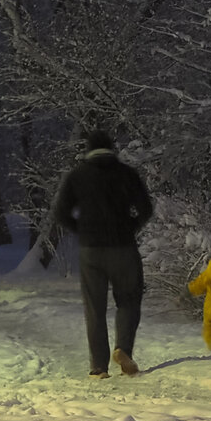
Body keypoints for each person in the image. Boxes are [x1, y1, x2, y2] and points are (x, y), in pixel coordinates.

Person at [49, 130, 155, 377]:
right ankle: (123, 349)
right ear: (112, 148)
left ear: (88, 150)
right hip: (124, 248)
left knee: (94, 307)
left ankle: (98, 366)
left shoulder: (77, 176)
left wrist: (82, 230)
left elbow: (60, 213)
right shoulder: (127, 174)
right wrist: (130, 226)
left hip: (91, 251)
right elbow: (146, 209)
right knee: (128, 300)